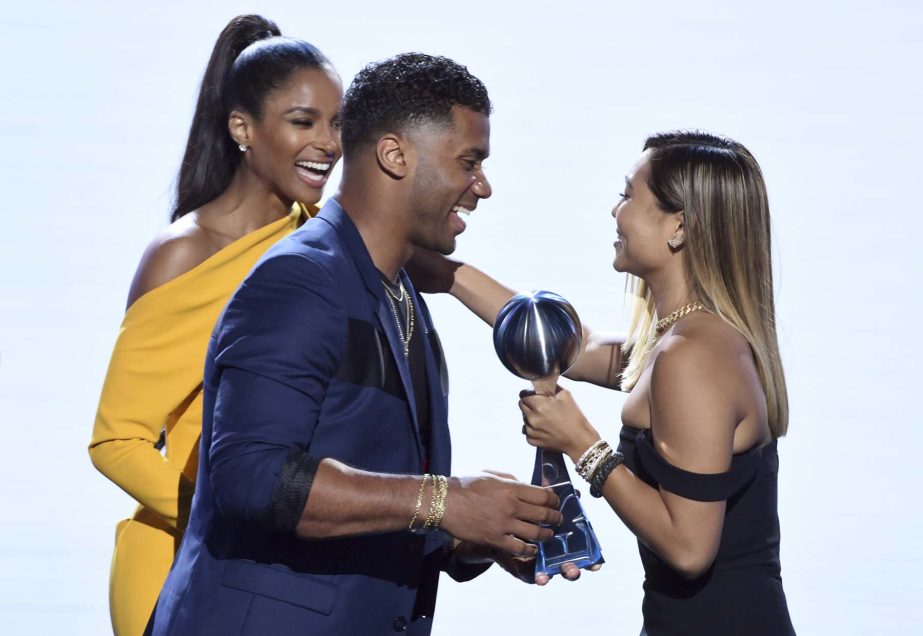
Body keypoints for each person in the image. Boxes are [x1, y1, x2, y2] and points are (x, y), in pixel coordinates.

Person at [145, 53, 563, 636]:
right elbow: (251, 474)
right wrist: (444, 500)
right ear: (395, 156)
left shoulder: (399, 294)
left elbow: (380, 493)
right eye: (468, 162)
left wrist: (474, 532)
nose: (482, 187)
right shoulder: (298, 280)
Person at [417, 131, 796, 633]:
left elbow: (689, 549)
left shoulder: (694, 356)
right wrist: (441, 272)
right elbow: (567, 343)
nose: (614, 211)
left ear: (678, 227)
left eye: (628, 195)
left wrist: (582, 444)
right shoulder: (680, 339)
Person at [88, 15, 343, 636]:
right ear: (242, 129)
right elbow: (116, 441)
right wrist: (224, 512)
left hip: (278, 573)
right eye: (303, 122)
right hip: (181, 575)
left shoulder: (320, 238)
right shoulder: (185, 254)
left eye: (337, 123)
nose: (329, 143)